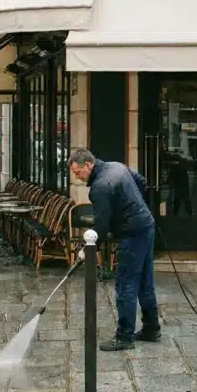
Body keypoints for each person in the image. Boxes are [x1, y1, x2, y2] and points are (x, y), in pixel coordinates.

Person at [68, 148, 160, 351]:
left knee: (125, 284)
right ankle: (151, 328)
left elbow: (101, 227)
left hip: (132, 233)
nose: (78, 178)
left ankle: (124, 337)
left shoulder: (100, 187)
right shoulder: (117, 166)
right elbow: (142, 182)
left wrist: (87, 250)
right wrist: (135, 208)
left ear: (89, 165)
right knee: (145, 281)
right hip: (146, 226)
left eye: (78, 172)